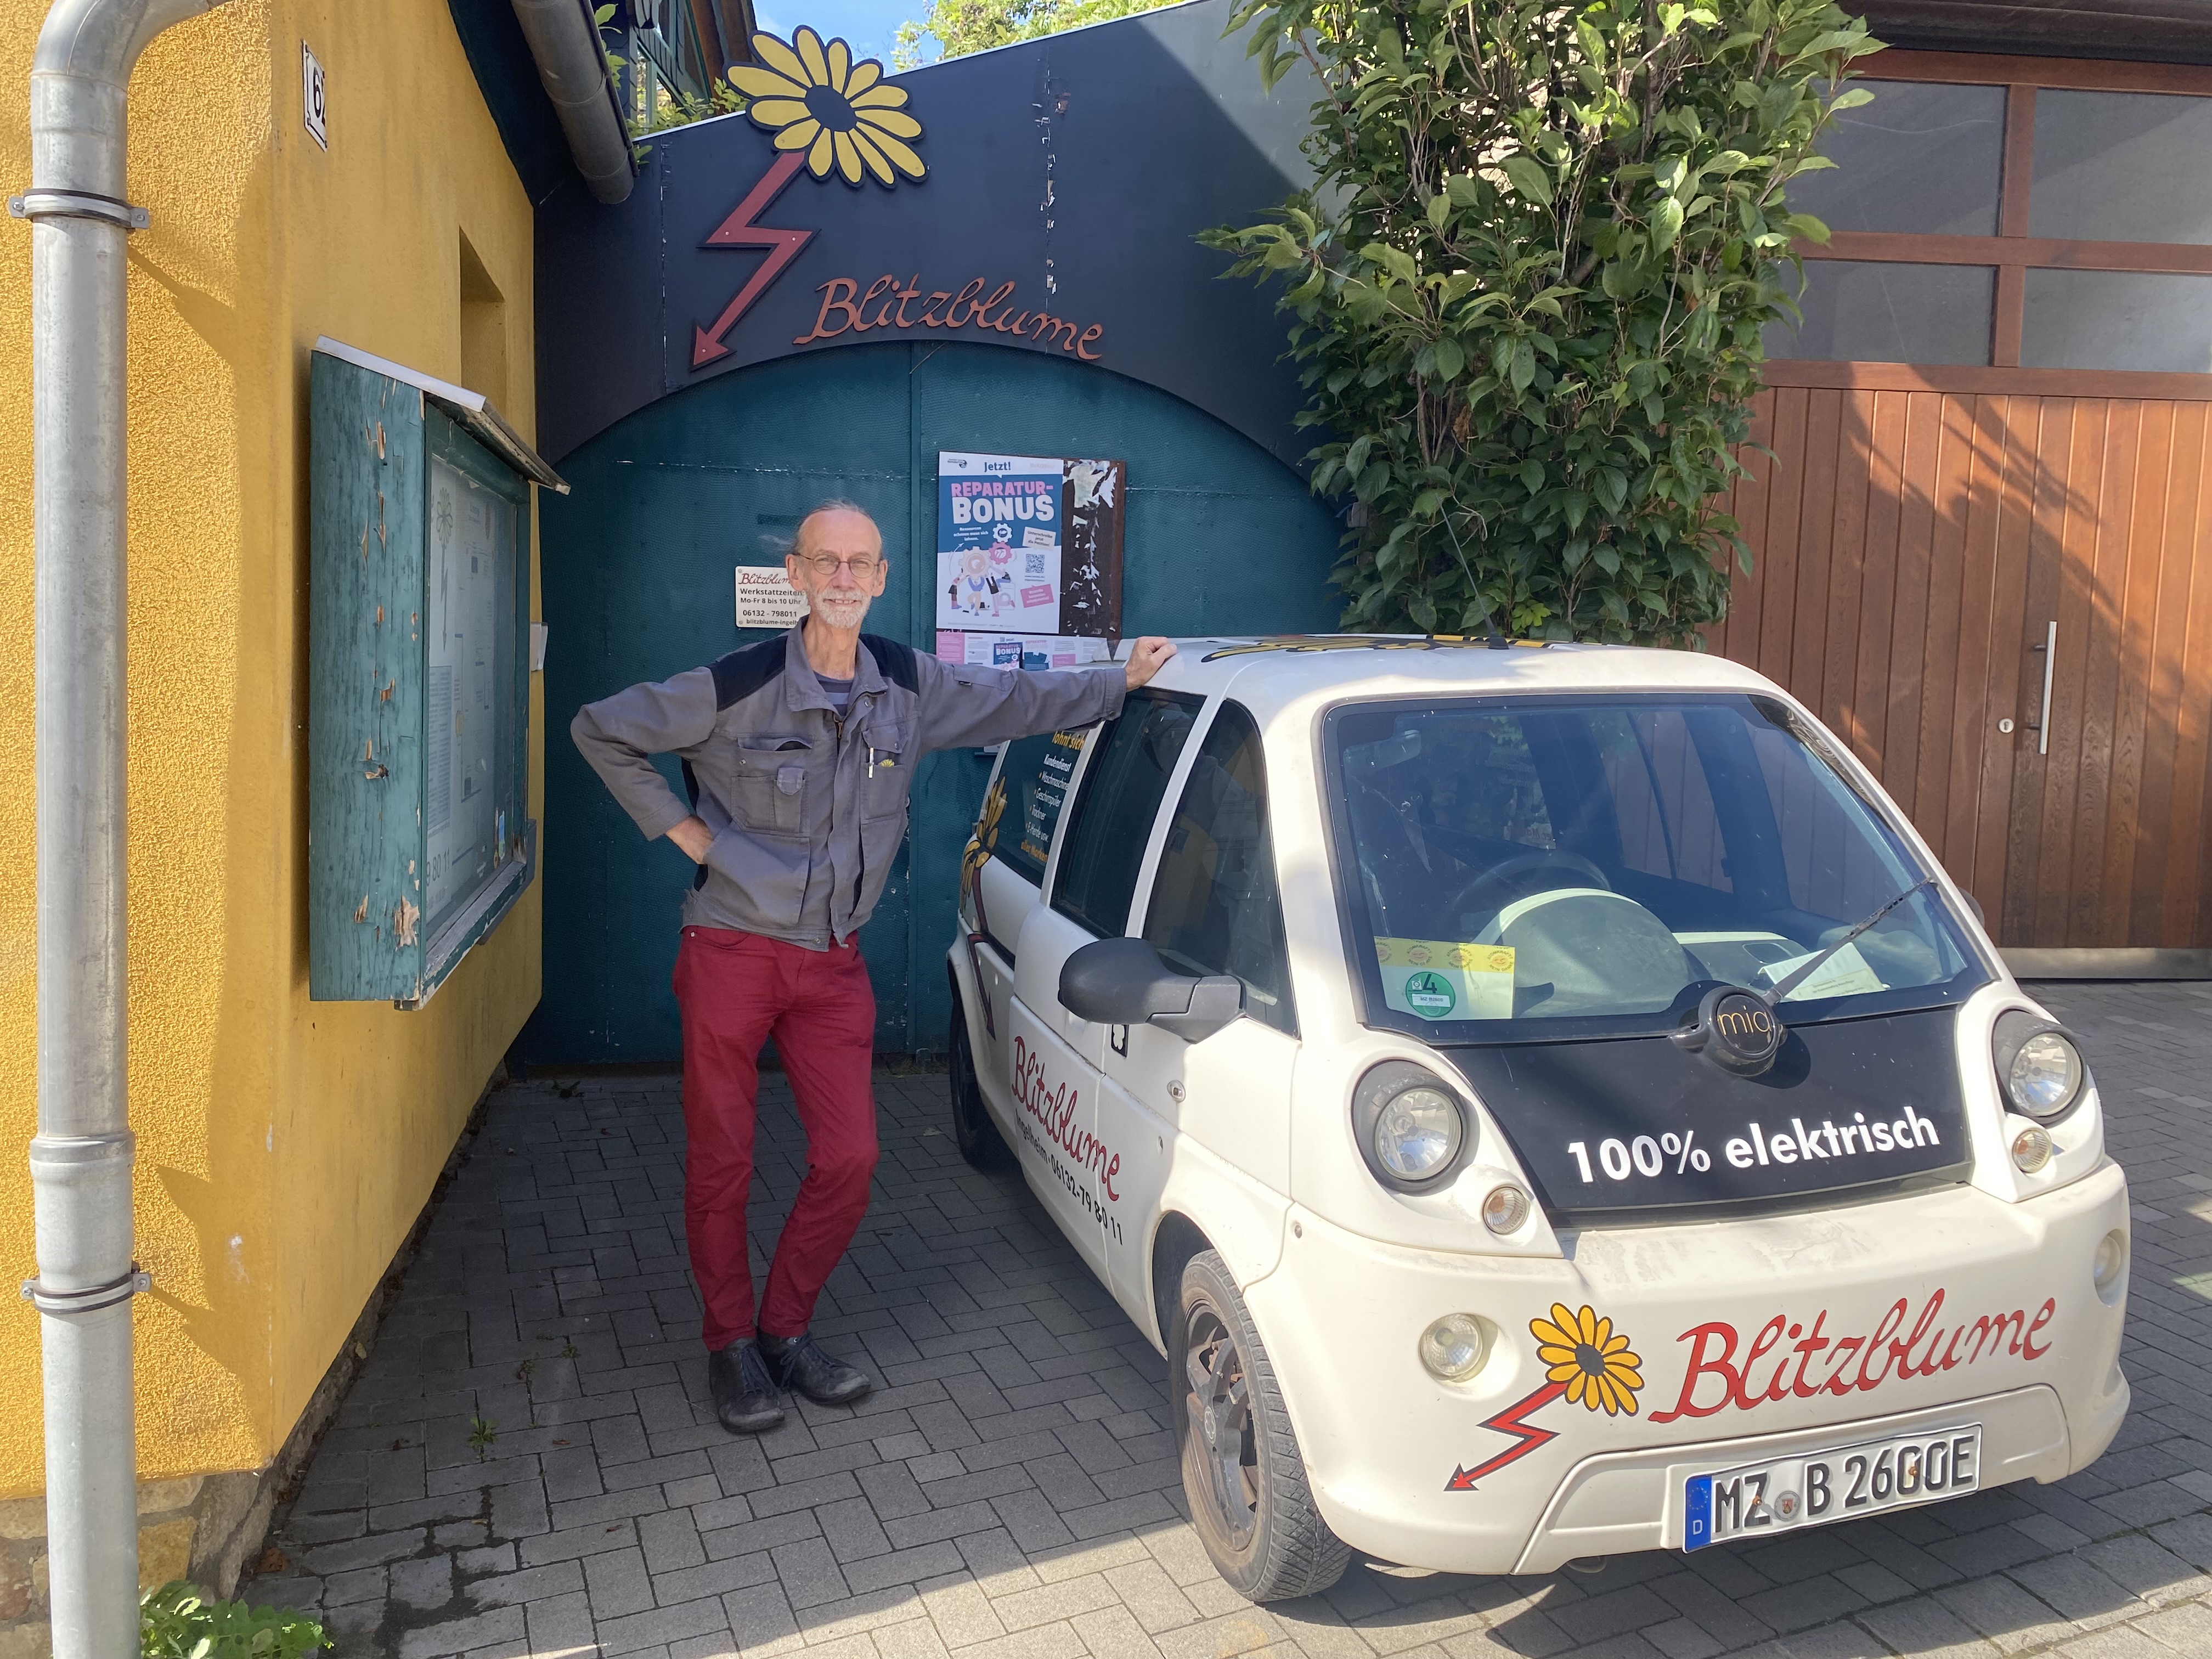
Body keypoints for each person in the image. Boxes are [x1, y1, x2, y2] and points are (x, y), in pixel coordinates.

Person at [571, 500, 1177, 1434]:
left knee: (850, 1158)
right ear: (797, 575)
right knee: (721, 1162)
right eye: (827, 563)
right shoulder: (732, 686)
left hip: (831, 965)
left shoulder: (907, 683)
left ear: (882, 576)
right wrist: (691, 835)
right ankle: (730, 1347)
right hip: (732, 949)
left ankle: (785, 1331)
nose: (845, 579)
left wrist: (1116, 681)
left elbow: (1012, 701)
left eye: (861, 564)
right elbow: (600, 729)